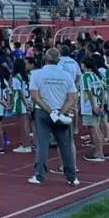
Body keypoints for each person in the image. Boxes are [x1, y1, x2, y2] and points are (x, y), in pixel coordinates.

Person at [28, 49, 79, 187]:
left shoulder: (37, 74)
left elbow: (35, 96)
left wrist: (50, 111)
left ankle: (40, 176)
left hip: (43, 113)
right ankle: (72, 177)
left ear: (45, 59)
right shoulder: (66, 75)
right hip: (61, 112)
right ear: (58, 60)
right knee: (65, 146)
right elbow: (72, 98)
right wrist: (61, 112)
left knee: (42, 145)